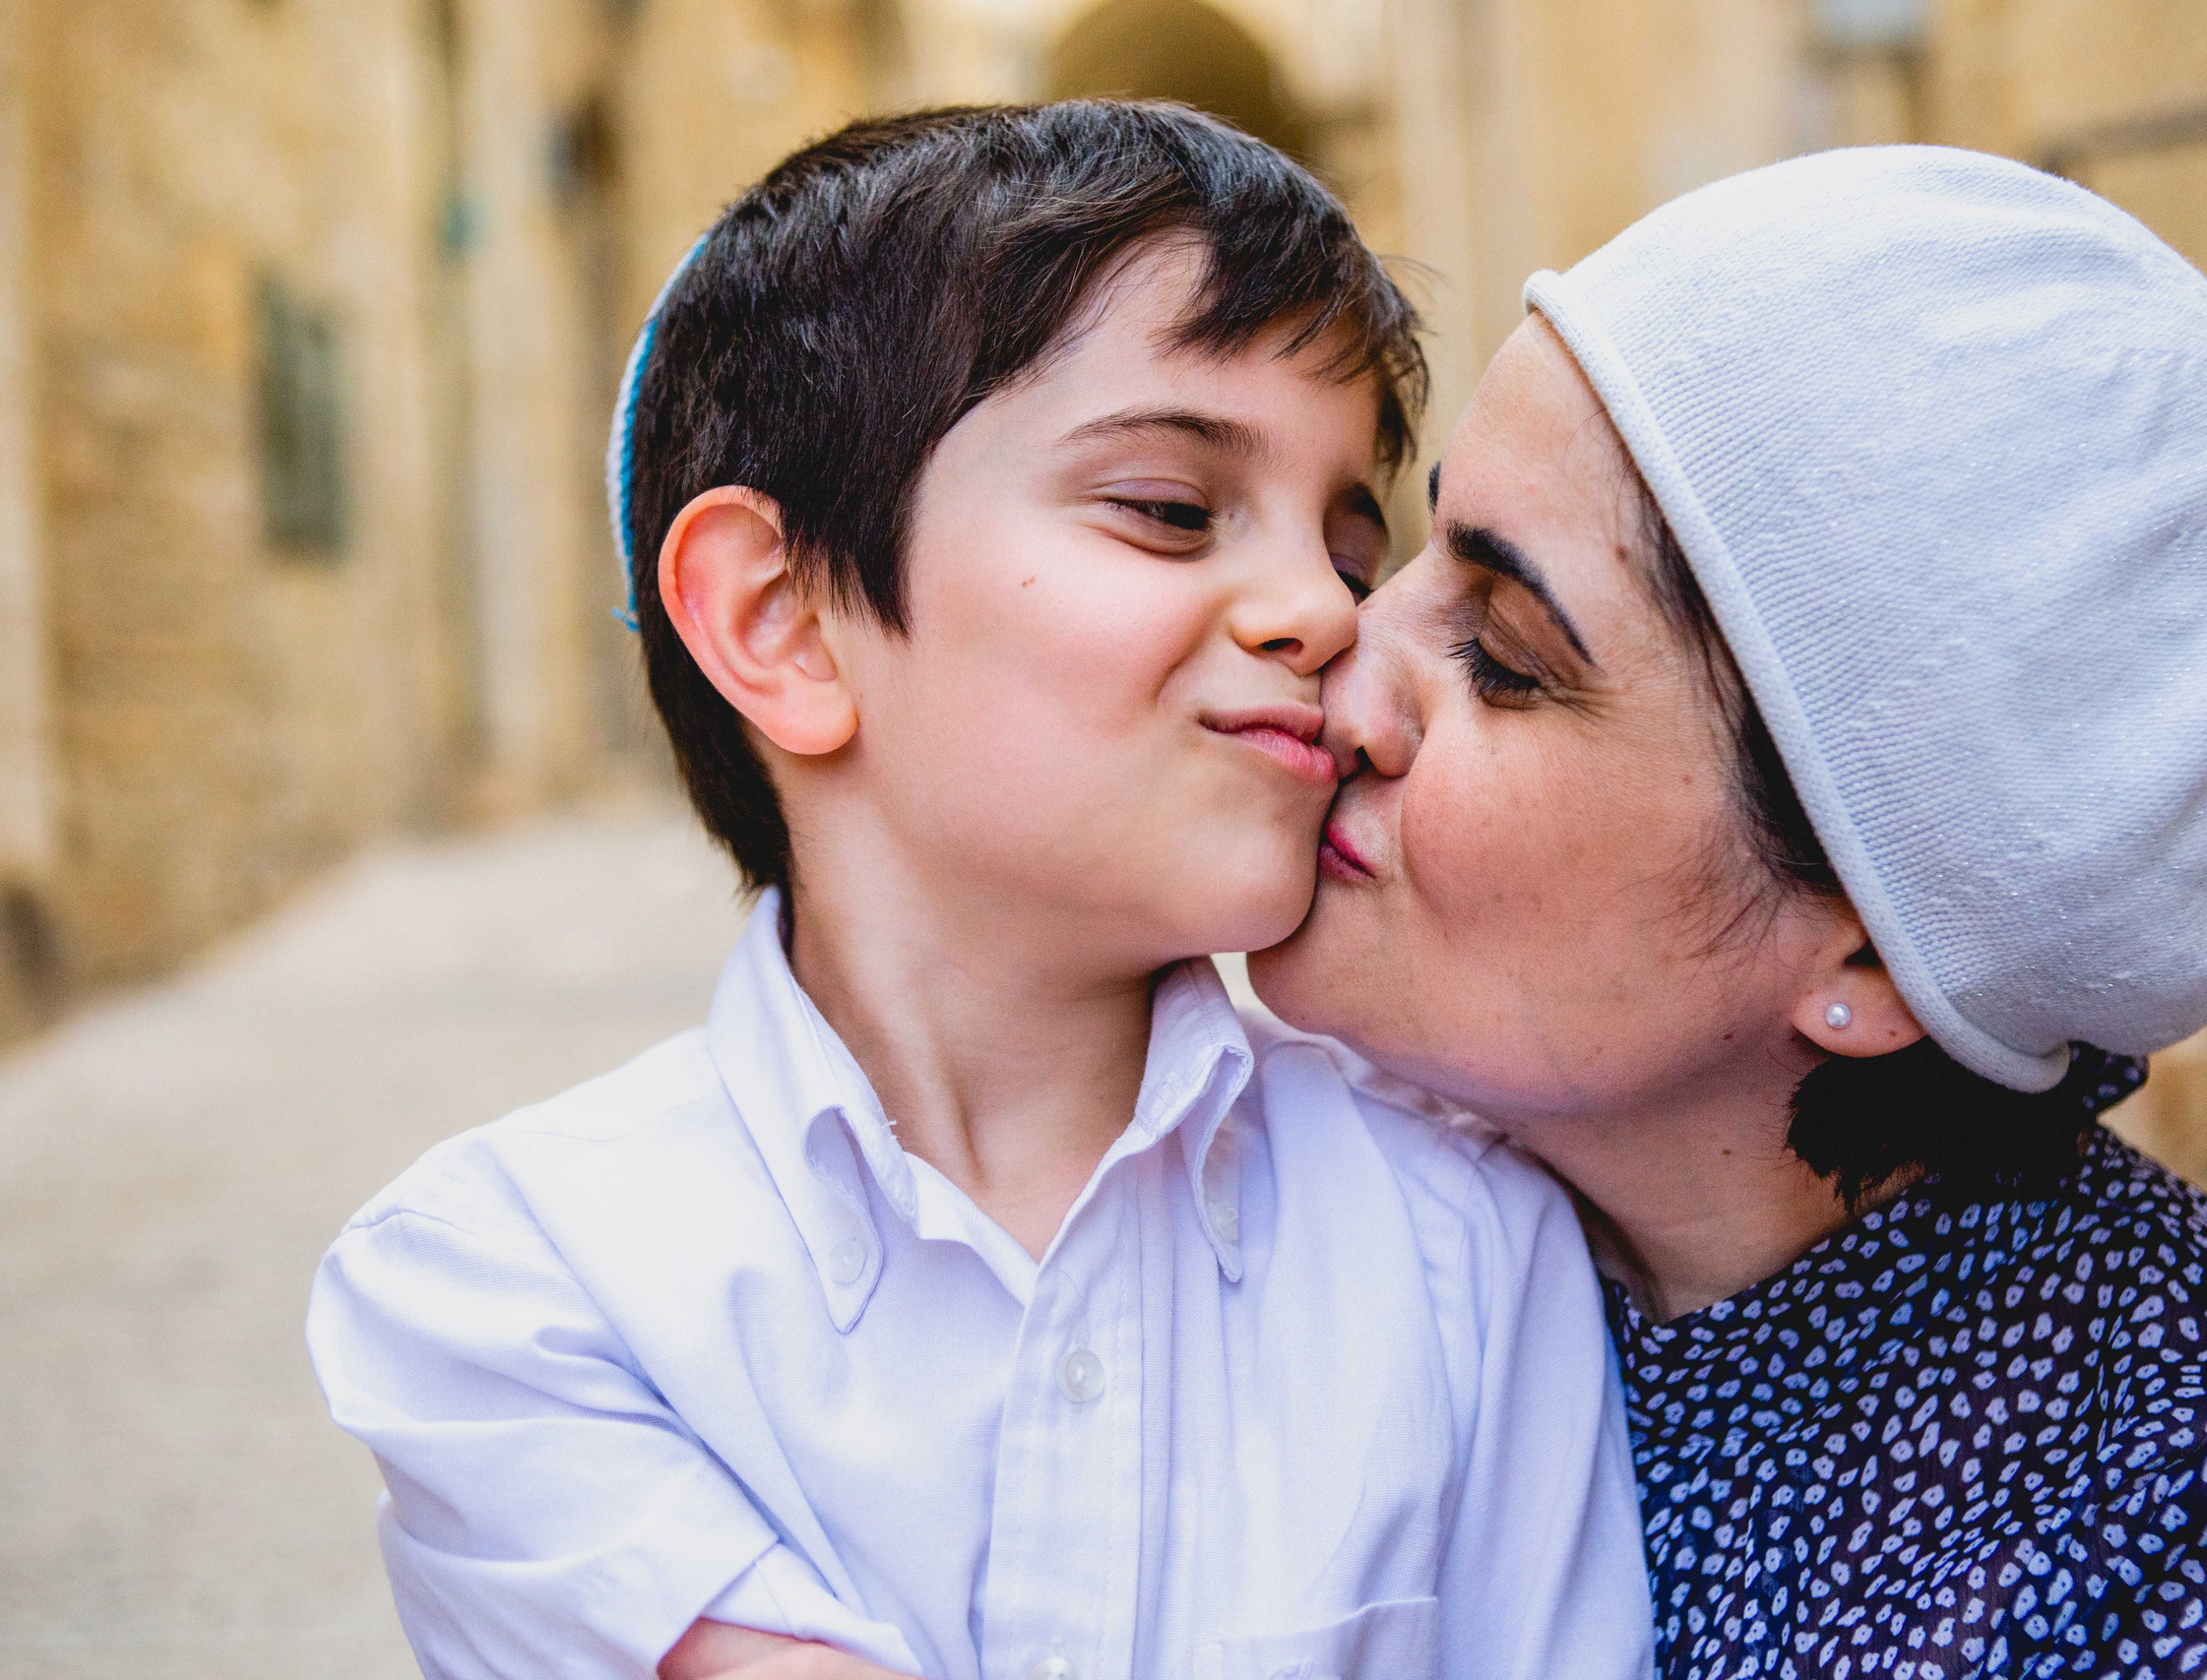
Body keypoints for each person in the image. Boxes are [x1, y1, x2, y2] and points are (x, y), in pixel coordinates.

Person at [306, 104, 1651, 1680]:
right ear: (784, 622)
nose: (1320, 612)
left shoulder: (1470, 1243)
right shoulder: (509, 1289)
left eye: (1352, 551)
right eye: (1169, 508)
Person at [1253, 145, 2207, 1678]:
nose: (1341, 650)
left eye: (1507, 655)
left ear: (1866, 952)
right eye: (1403, 545)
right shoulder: (1226, 1187)